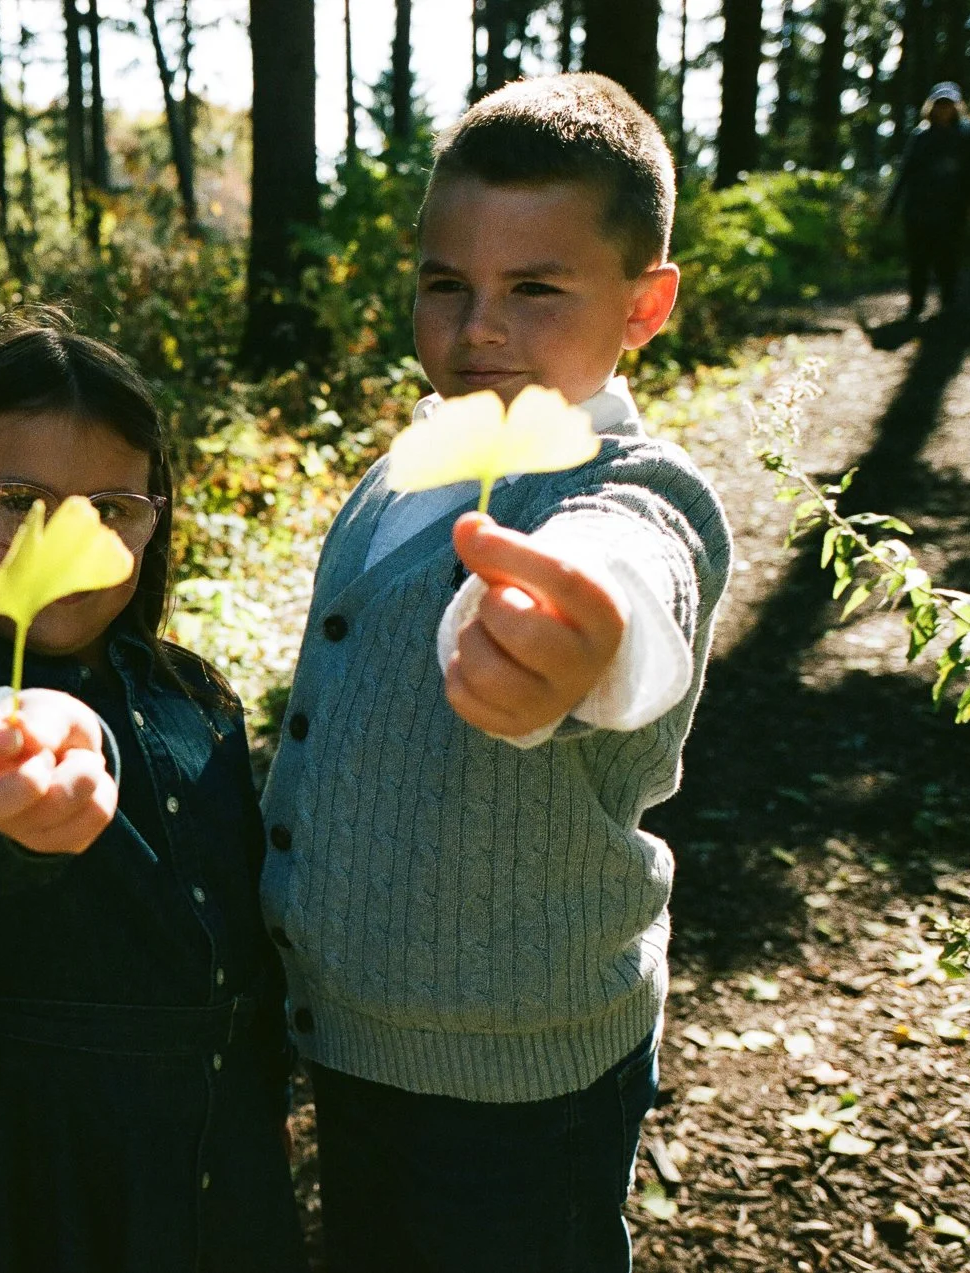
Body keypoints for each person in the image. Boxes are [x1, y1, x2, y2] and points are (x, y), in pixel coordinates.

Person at [259, 74, 733, 1273]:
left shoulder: (627, 485)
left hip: (525, 1083)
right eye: (446, 284)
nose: (477, 329)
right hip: (356, 1045)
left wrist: (583, 641)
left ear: (645, 303)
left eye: (535, 289)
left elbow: (632, 571)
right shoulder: (412, 462)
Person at [0, 318, 307, 1273]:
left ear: (153, 521)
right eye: (17, 499)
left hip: (232, 1171)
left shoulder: (194, 695)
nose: (62, 540)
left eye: (112, 507)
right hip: (30, 1189)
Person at [883, 81, 970, 320]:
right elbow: (906, 172)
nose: (943, 109)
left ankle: (948, 303)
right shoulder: (920, 135)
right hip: (919, 207)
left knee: (948, 258)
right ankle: (916, 305)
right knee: (918, 259)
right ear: (931, 106)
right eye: (939, 104)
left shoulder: (968, 134)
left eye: (948, 104)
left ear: (956, 106)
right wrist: (891, 206)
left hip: (952, 208)